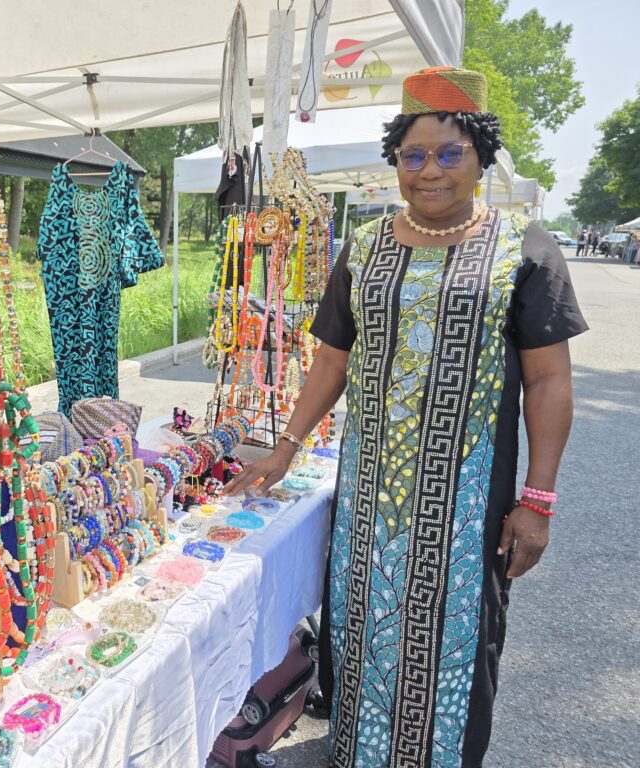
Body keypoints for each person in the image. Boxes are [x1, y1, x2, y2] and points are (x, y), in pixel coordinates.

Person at [224, 66, 587, 768]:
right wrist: (287, 446)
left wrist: (537, 500)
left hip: (467, 509)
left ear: (481, 156)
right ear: (394, 161)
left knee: (453, 646)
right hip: (370, 500)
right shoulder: (364, 249)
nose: (430, 171)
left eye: (450, 154)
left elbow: (548, 379)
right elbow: (331, 359)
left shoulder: (524, 249)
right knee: (361, 634)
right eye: (413, 155)